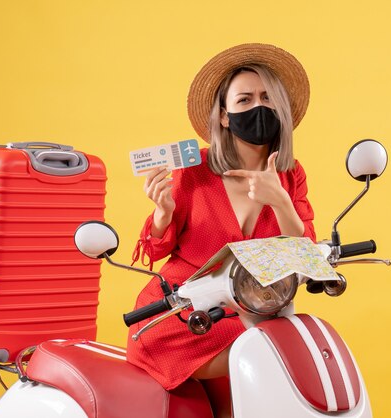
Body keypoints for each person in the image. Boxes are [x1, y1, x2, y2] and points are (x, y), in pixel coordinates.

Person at [127, 43, 315, 417]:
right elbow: (157, 248)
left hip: (253, 312)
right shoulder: (193, 169)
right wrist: (163, 212)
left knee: (286, 354)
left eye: (267, 97)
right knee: (263, 361)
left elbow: (305, 255)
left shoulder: (290, 175)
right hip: (182, 313)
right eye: (244, 100)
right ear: (225, 116)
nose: (258, 107)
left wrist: (280, 200)